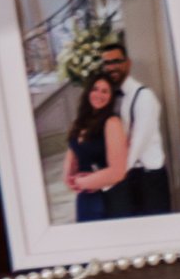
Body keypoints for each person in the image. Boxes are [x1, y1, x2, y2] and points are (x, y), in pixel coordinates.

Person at [105, 34, 174, 215]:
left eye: (116, 61)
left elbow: (137, 144)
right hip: (127, 178)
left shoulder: (144, 97)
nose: (111, 67)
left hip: (148, 179)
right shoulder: (110, 96)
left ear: (127, 63)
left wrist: (110, 179)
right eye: (107, 63)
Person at [63, 63, 130, 224]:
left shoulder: (111, 122)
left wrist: (81, 182)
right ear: (88, 92)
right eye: (95, 89)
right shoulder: (80, 121)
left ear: (111, 96)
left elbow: (118, 171)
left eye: (105, 91)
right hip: (84, 195)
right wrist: (69, 178)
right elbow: (73, 150)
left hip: (105, 198)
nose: (99, 94)